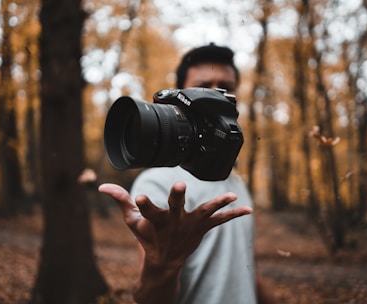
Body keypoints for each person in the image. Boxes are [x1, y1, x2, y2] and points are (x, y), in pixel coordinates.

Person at [99, 44, 274, 304]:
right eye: (205, 86)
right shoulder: (158, 183)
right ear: (181, 93)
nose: (217, 95)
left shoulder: (235, 182)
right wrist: (164, 265)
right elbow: (149, 298)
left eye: (225, 87)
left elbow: (247, 269)